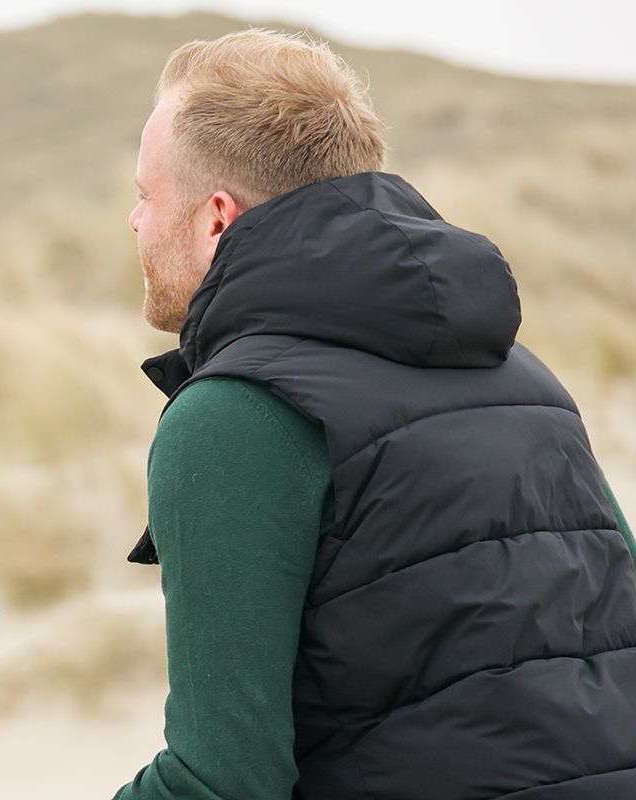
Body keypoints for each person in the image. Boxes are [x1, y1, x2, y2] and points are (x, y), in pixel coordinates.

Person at [115, 29, 636, 799]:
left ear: (216, 220)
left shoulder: (234, 418)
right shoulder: (527, 379)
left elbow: (221, 782)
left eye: (146, 195)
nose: (133, 220)